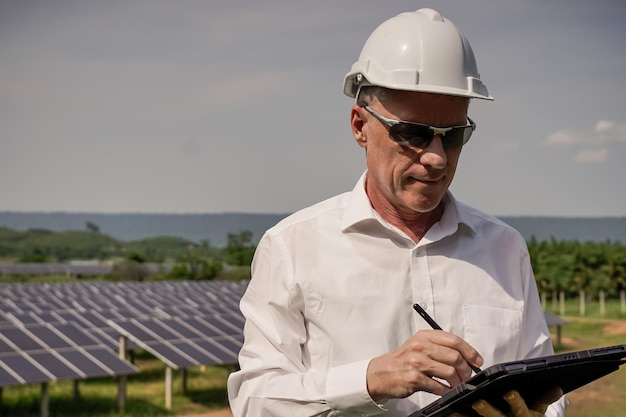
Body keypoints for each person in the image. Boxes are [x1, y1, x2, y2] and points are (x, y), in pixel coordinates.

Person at [228, 8, 567, 417]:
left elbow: (548, 393)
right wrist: (370, 379)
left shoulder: (505, 248)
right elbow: (254, 402)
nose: (437, 158)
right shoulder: (292, 247)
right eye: (414, 133)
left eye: (454, 135)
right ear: (359, 126)